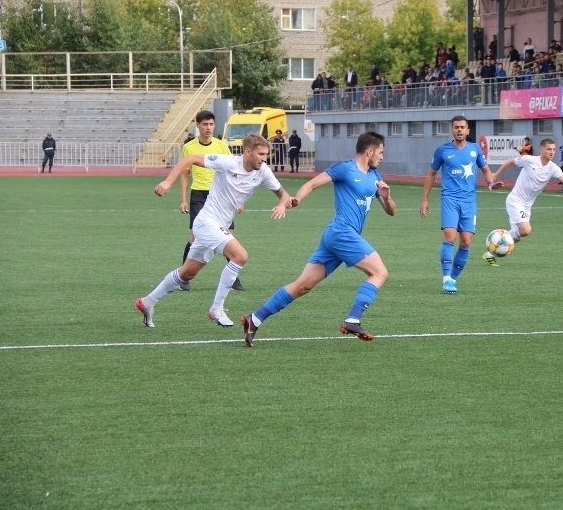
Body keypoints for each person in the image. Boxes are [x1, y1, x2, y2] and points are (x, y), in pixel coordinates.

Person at [239, 132, 396, 347]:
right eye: (381, 152)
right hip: (342, 232)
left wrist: (387, 198)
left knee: (302, 286)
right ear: (369, 151)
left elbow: (391, 211)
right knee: (379, 272)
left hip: (337, 237)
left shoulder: (375, 176)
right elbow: (312, 184)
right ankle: (353, 319)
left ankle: (254, 319)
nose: (382, 157)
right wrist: (296, 199)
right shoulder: (345, 169)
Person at [135, 133, 291, 329]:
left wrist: (283, 204)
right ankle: (216, 309)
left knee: (187, 273)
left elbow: (284, 195)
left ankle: (147, 302)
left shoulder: (263, 171)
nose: (264, 158)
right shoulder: (228, 163)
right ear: (247, 152)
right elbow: (190, 159)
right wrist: (168, 182)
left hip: (218, 226)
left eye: (266, 154)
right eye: (260, 154)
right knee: (240, 256)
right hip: (206, 222)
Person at [419, 116, 500, 288]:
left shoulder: (475, 149)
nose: (459, 130)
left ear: (468, 130)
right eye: (456, 127)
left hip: (469, 201)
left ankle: (453, 279)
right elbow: (431, 174)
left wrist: (490, 182)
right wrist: (424, 199)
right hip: (450, 199)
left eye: (462, 127)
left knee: (466, 241)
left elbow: (485, 169)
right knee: (450, 236)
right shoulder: (442, 151)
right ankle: (446, 278)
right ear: (452, 130)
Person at [178, 110, 244, 292]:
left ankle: (233, 279)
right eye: (205, 124)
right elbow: (184, 175)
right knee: (196, 237)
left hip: (222, 196)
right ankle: (183, 277)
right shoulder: (189, 148)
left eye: (211, 124)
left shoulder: (221, 146)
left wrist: (238, 199)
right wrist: (183, 199)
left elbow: (233, 173)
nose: (208, 128)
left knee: (228, 236)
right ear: (198, 125)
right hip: (199, 195)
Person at [483, 139, 563, 262]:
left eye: (554, 149)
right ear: (541, 150)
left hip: (527, 206)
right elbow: (511, 161)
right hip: (515, 200)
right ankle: (497, 237)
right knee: (525, 229)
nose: (552, 152)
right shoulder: (529, 160)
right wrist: (495, 175)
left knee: (519, 235)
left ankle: (489, 253)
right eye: (549, 149)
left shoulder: (553, 168)